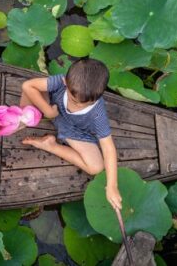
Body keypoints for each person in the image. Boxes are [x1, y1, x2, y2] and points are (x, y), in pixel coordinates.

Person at [19, 59, 122, 210]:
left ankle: (51, 145)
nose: (77, 105)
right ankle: (22, 117)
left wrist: (112, 184)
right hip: (53, 107)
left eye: (84, 104)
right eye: (74, 100)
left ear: (97, 98)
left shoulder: (98, 113)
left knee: (96, 167)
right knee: (30, 90)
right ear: (65, 82)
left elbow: (108, 148)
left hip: (73, 129)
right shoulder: (60, 82)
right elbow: (27, 85)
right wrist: (47, 110)